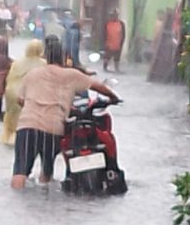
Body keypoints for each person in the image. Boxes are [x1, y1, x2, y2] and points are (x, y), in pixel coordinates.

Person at [10, 37, 121, 189]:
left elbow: (19, 99)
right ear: (62, 57)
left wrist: (33, 107)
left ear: (46, 57)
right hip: (52, 128)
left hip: (27, 126)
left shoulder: (33, 75)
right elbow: (97, 86)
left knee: (20, 172)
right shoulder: (72, 75)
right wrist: (114, 98)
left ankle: (17, 207)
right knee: (47, 171)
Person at [0, 39, 45, 145]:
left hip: (12, 94)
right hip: (28, 95)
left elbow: (9, 78)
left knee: (11, 120)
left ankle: (8, 137)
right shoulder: (43, 64)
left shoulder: (16, 62)